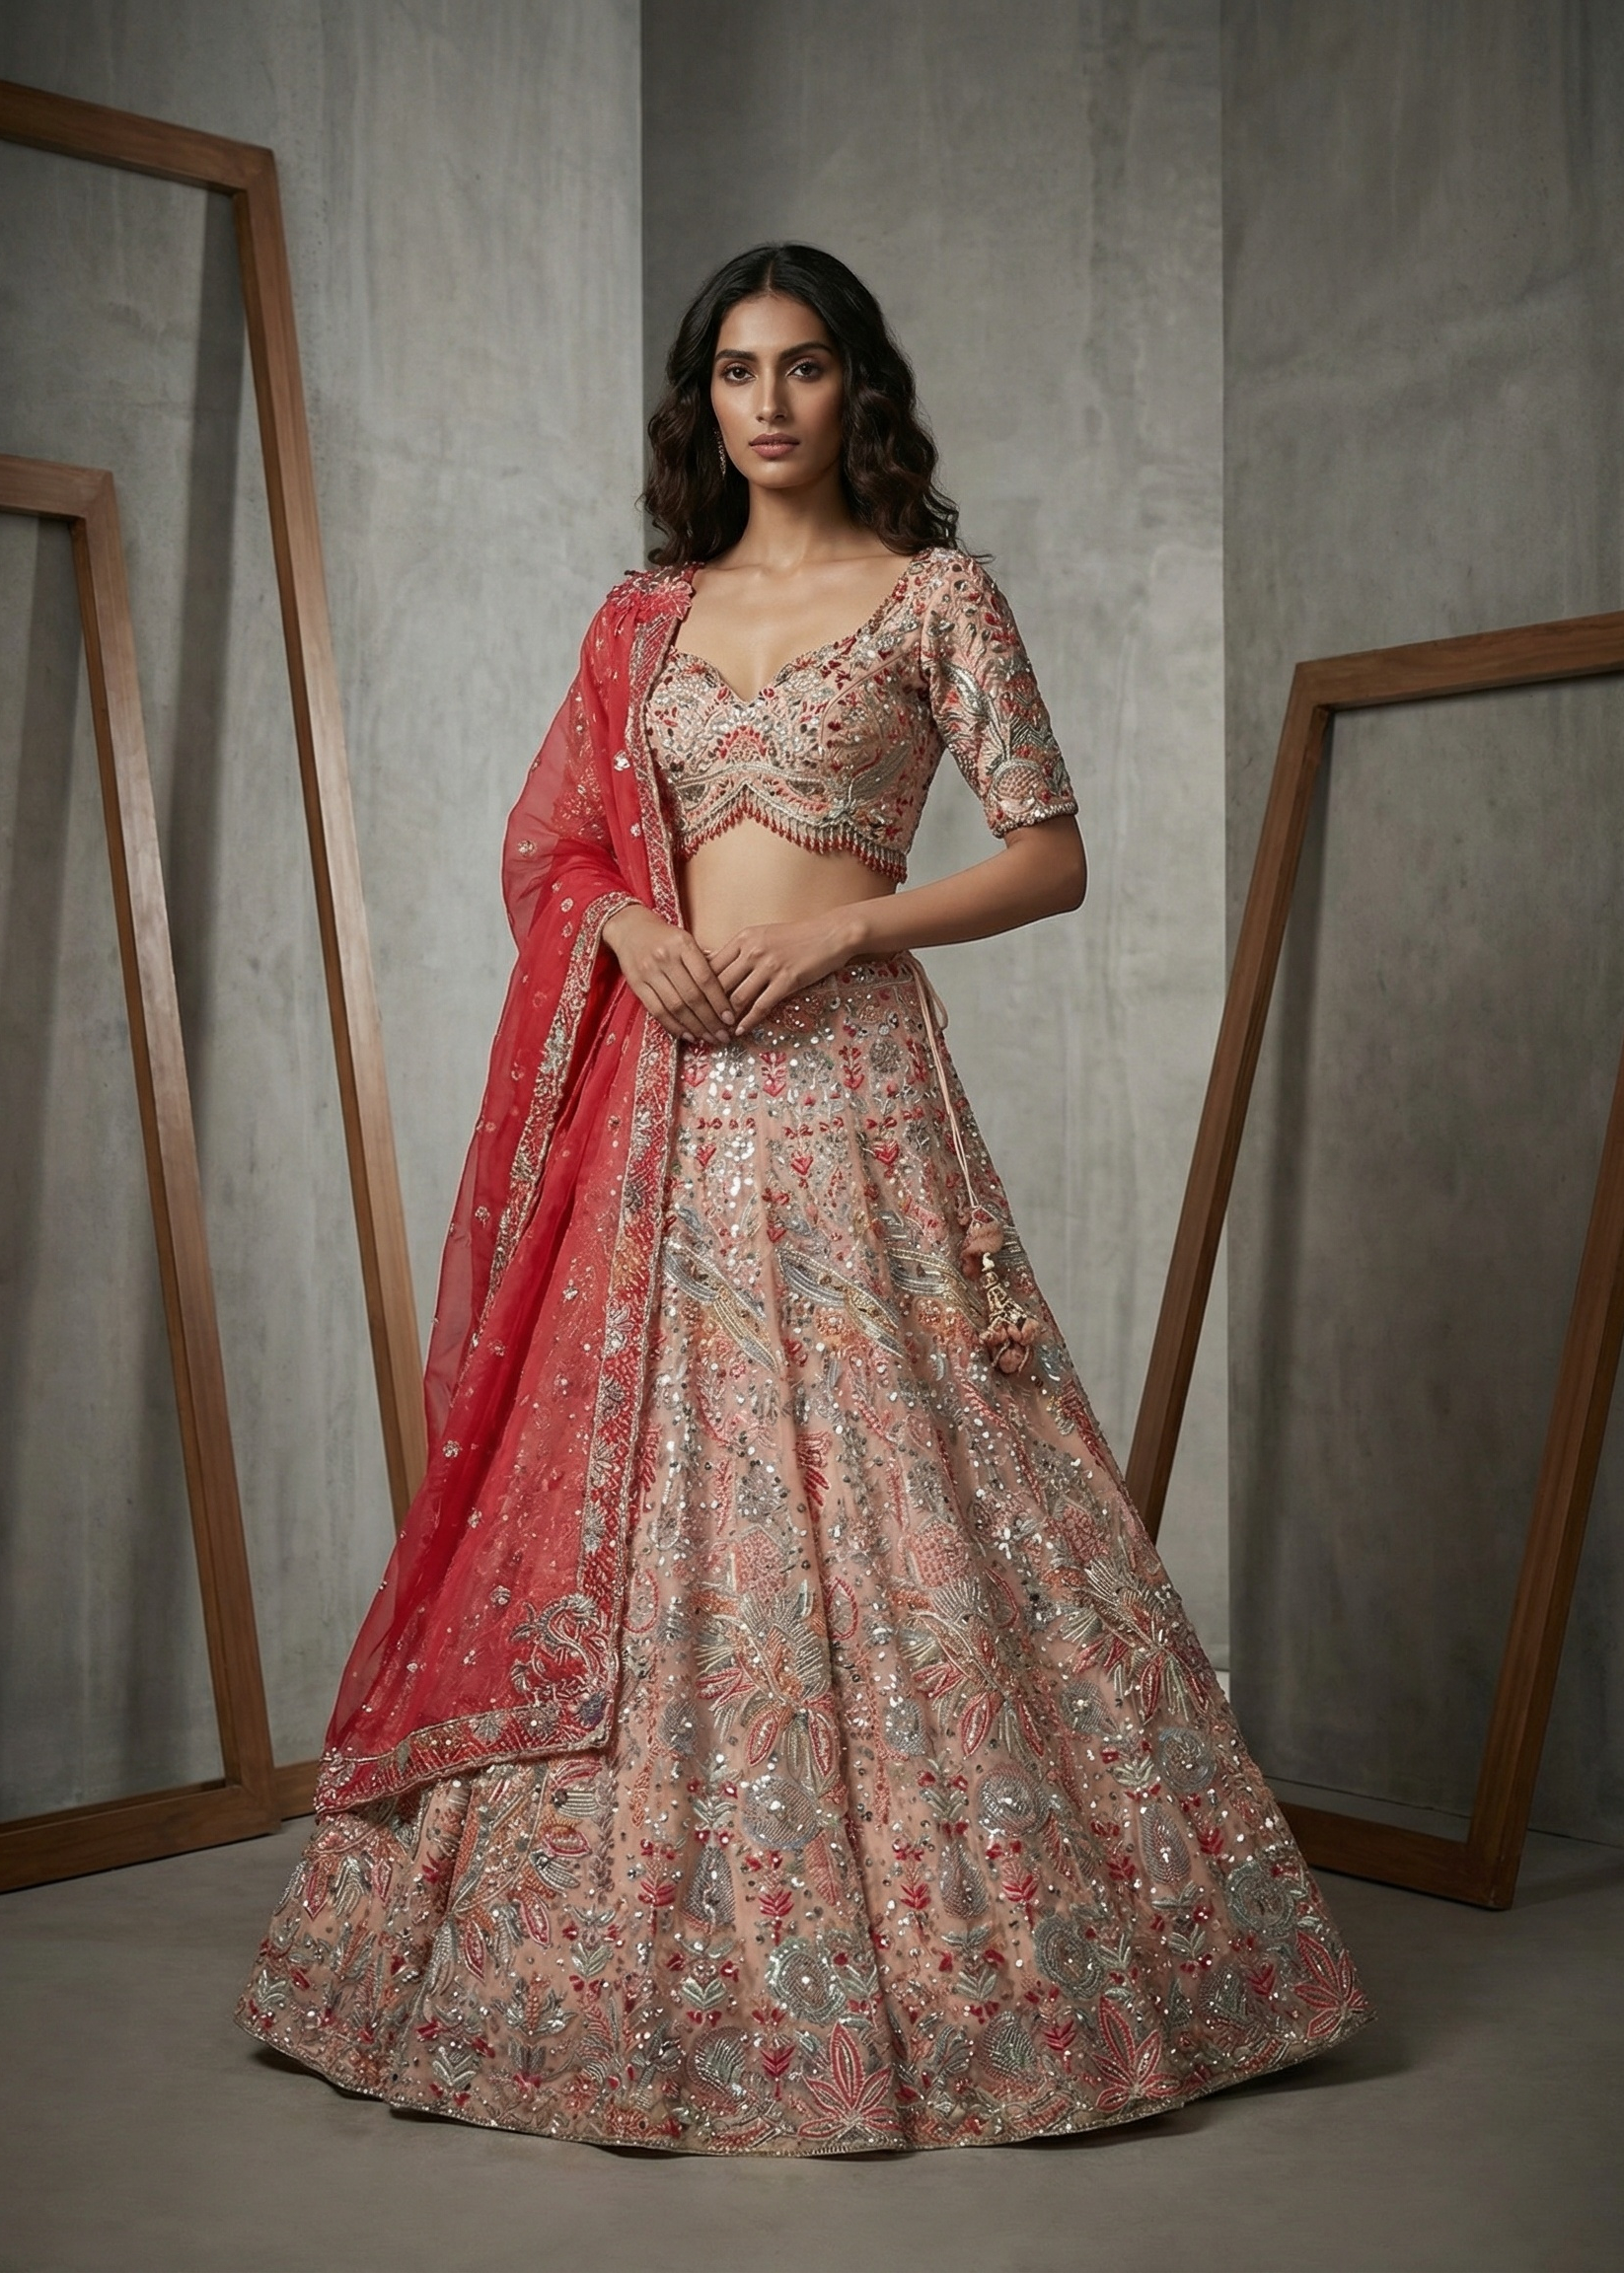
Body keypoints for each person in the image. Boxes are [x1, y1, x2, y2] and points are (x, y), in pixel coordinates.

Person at [238, 244, 1368, 2153]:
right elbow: (558, 846)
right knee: (644, 1484)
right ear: (707, 404)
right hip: (661, 1110)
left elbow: (1051, 853)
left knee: (920, 1475)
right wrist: (618, 925)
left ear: (861, 390)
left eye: (807, 366)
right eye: (738, 372)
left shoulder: (936, 597)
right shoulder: (640, 623)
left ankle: (994, 1956)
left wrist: (853, 937)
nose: (770, 403)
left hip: (849, 1097)